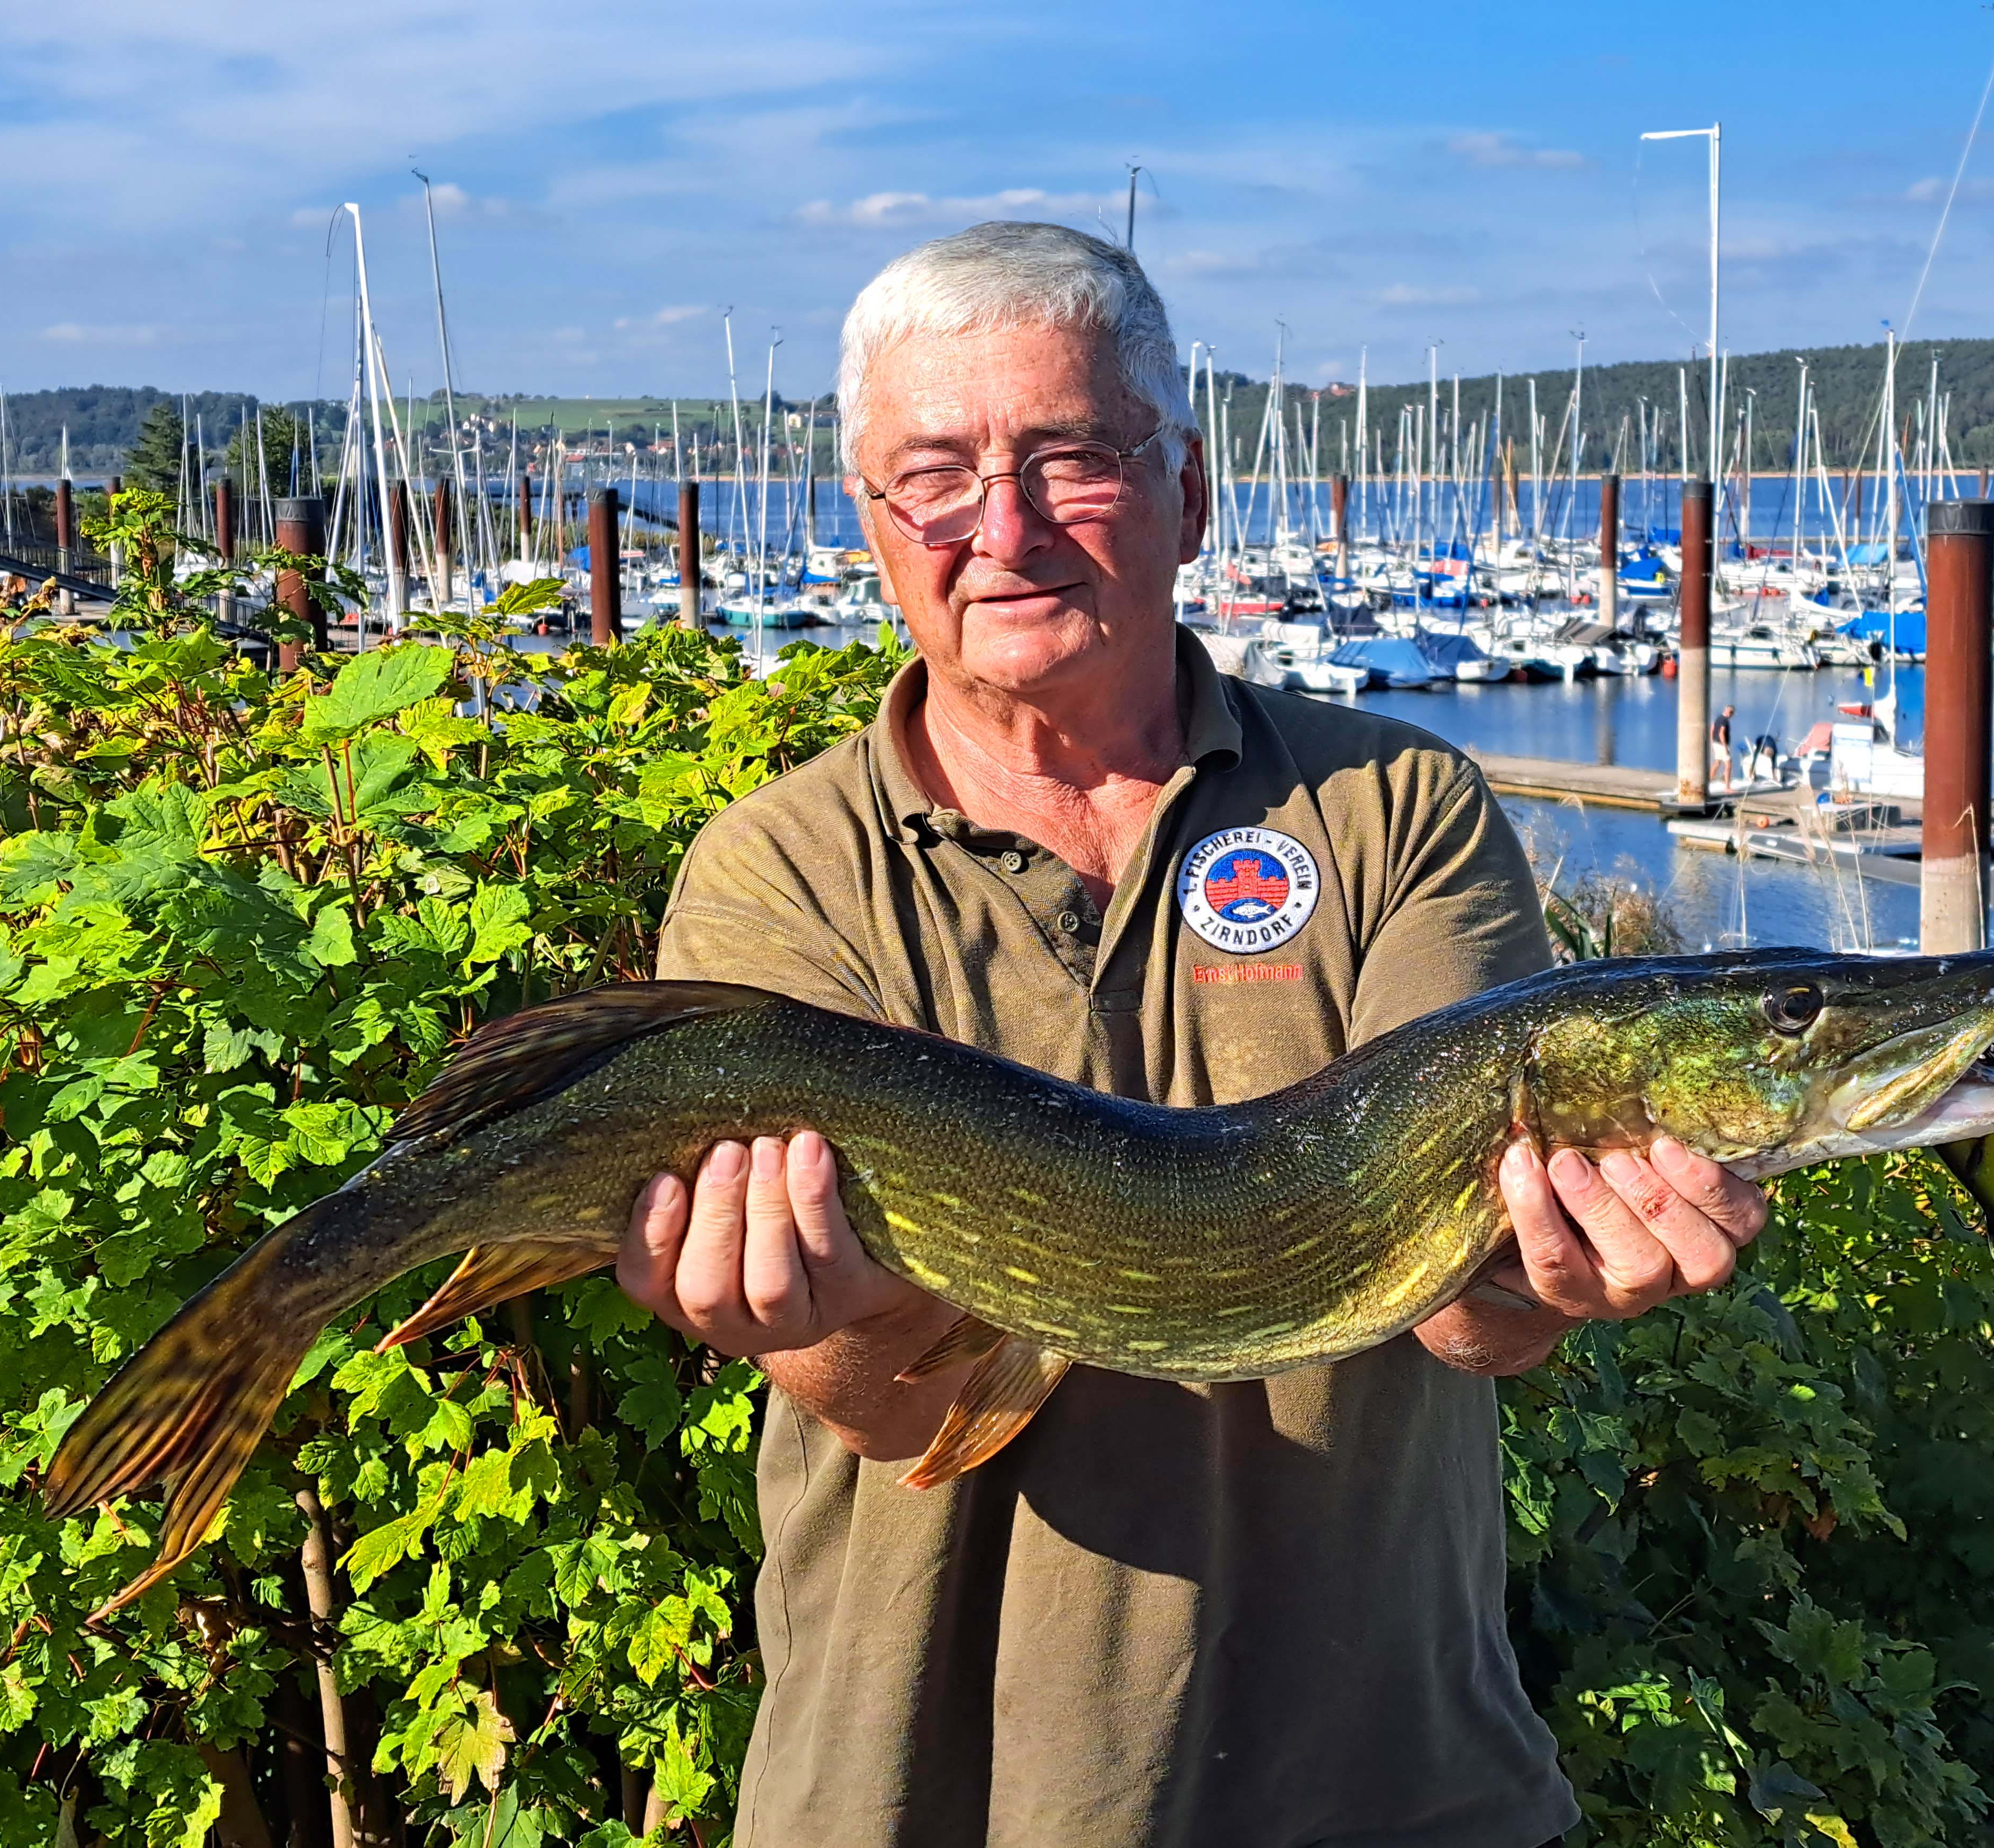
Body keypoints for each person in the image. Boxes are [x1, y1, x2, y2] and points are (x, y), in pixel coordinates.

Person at [616, 222, 1767, 1848]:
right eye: (934, 476)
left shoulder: (1390, 809)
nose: (1001, 530)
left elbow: (1464, 1318)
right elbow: (882, 1408)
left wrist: (1549, 1272)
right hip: (928, 1801)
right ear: (873, 523)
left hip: (1387, 1795)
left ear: (1188, 489)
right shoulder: (782, 873)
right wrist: (805, 1315)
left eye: (1067, 459)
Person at [1710, 702, 1737, 785]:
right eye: (1730, 712)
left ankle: (1708, 782)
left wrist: (1712, 743)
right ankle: (1727, 787)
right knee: (1729, 765)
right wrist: (1725, 747)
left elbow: (1712, 729)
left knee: (1717, 763)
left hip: (1716, 744)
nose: (1731, 714)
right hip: (1722, 745)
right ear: (1727, 710)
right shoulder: (1725, 720)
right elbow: (1721, 733)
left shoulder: (1718, 718)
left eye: (1732, 713)